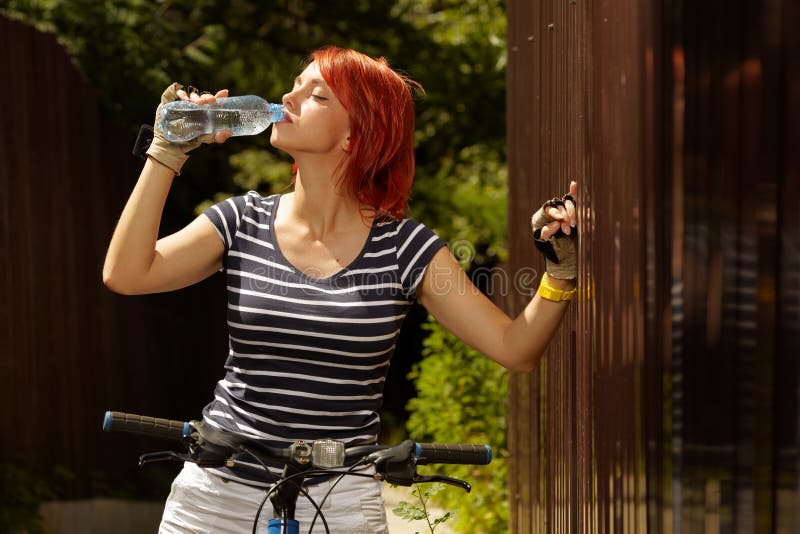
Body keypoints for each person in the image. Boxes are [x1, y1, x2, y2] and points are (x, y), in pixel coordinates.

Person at [103, 46, 578, 534]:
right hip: (215, 494)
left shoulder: (404, 248)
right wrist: (168, 150)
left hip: (340, 502)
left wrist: (561, 271)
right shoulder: (241, 220)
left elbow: (514, 349)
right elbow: (126, 273)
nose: (288, 96)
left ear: (356, 134)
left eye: (317, 95)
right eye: (295, 84)